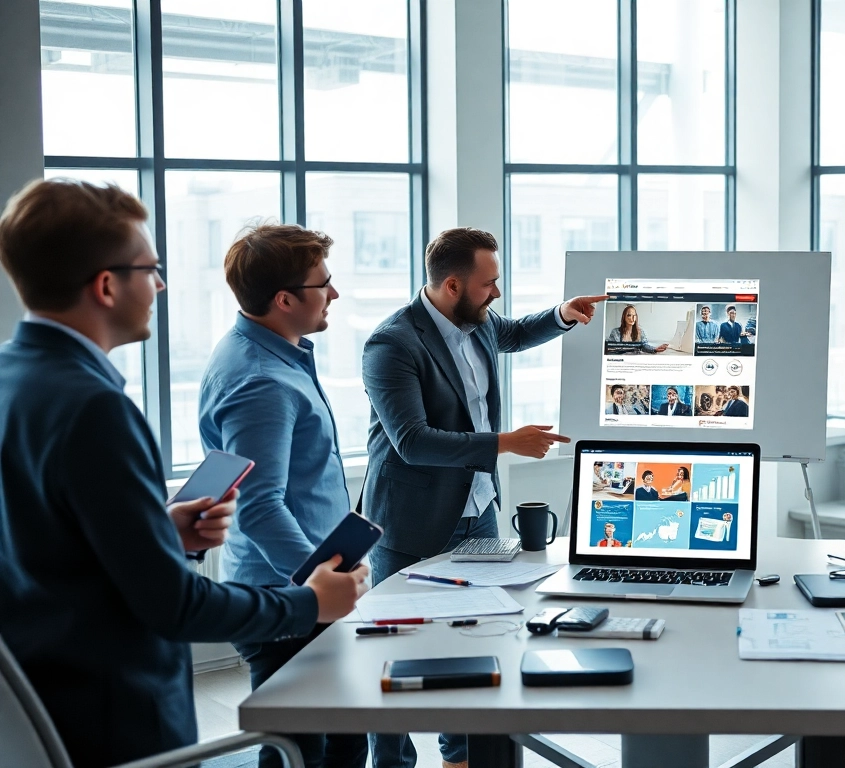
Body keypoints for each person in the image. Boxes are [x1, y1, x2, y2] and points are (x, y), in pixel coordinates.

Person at [0, 179, 368, 768]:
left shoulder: (12, 377)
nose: (161, 285)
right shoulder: (94, 408)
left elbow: (42, 544)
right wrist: (309, 600)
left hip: (52, 698)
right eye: (150, 268)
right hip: (109, 712)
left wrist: (158, 531)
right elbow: (174, 604)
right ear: (106, 285)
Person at [361, 226, 605, 768]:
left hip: (478, 515)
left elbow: (513, 333)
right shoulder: (392, 343)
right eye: (489, 283)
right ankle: (393, 763)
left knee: (476, 641)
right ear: (452, 284)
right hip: (412, 521)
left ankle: (461, 756)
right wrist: (504, 443)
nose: (497, 293)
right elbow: (412, 440)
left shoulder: (479, 321)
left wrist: (563, 314)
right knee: (397, 653)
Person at [197, 224, 368, 768]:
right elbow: (261, 504)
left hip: (302, 590)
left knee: (338, 739)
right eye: (325, 284)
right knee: (299, 753)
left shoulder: (261, 350)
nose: (334, 295)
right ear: (285, 299)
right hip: (290, 597)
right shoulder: (262, 381)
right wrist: (320, 586)